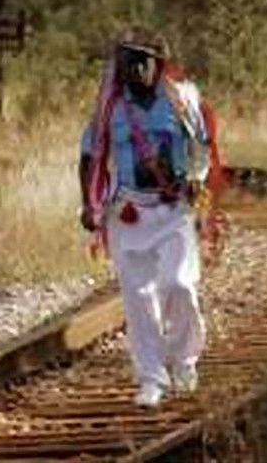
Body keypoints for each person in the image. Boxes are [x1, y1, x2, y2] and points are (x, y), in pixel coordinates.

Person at [78, 27, 222, 407]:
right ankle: (151, 379)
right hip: (127, 213)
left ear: (158, 64)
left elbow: (202, 147)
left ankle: (185, 361)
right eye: (128, 61)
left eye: (143, 60)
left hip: (174, 209)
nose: (136, 68)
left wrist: (195, 178)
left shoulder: (181, 101)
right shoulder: (109, 108)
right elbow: (89, 156)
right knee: (139, 298)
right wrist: (89, 205)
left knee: (179, 285)